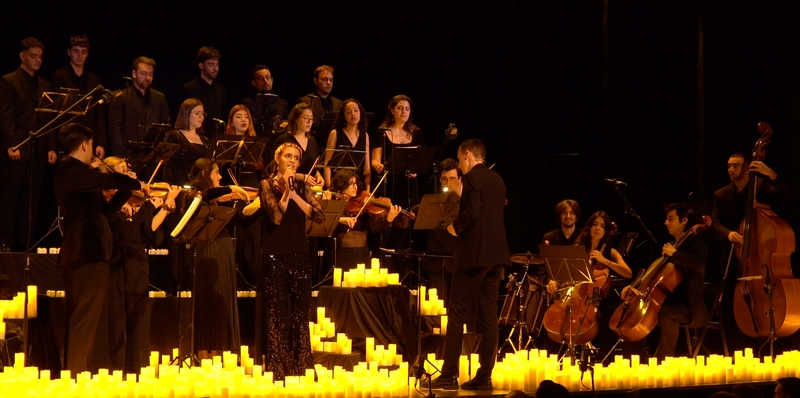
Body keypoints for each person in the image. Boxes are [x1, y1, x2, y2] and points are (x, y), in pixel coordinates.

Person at [54, 123, 143, 374]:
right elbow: (104, 178)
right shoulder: (70, 170)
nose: (94, 151)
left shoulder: (79, 176)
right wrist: (126, 180)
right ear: (84, 145)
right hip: (85, 252)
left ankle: (75, 374)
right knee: (84, 320)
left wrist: (125, 190)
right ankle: (75, 377)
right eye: (92, 145)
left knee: (83, 319)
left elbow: (104, 212)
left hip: (89, 252)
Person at [426, 139, 510, 390]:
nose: (460, 165)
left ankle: (449, 373)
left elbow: (473, 212)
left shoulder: (471, 178)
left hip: (474, 255)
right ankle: (485, 375)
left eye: (460, 159)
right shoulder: (498, 180)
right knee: (488, 317)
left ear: (466, 155)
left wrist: (455, 226)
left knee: (456, 314)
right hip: (496, 258)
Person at [104, 156, 180, 373]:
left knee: (138, 318)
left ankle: (137, 368)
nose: (134, 176)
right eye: (126, 173)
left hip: (138, 262)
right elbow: (124, 232)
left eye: (131, 172)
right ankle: (116, 368)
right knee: (117, 319)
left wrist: (165, 207)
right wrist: (147, 207)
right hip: (118, 264)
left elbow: (148, 231)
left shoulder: (139, 203)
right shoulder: (111, 203)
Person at [710, 152, 790, 351]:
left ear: (747, 168)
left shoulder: (761, 187)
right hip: (733, 256)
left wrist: (772, 175)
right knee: (728, 303)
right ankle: (734, 350)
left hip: (761, 257)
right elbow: (715, 224)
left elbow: (788, 197)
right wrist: (729, 234)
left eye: (735, 166)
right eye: (728, 166)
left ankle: (767, 345)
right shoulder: (721, 194)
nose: (730, 170)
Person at [258, 141, 325, 380]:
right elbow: (276, 217)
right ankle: (279, 366)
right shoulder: (266, 184)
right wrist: (287, 193)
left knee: (300, 313)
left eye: (296, 158)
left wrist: (296, 196)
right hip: (274, 254)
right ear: (278, 159)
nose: (292, 161)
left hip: (299, 252)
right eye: (288, 156)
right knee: (277, 312)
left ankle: (302, 365)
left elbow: (319, 216)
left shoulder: (302, 187)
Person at [622, 203, 707, 360]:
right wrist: (633, 286)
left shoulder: (695, 245)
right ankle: (633, 357)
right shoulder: (672, 246)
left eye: (670, 219)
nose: (666, 223)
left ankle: (662, 361)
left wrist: (675, 254)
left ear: (684, 221)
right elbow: (652, 273)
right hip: (667, 302)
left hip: (689, 307)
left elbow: (700, 264)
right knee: (634, 314)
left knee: (666, 313)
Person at [184, 158, 249, 358]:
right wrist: (231, 188)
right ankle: (205, 352)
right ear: (204, 174)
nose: (220, 176)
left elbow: (243, 223)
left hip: (224, 251)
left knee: (222, 301)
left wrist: (261, 203)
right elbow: (205, 195)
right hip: (207, 252)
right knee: (208, 302)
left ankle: (222, 352)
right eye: (216, 172)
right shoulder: (195, 195)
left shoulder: (216, 199)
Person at [0, 37, 57, 252]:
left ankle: (26, 242)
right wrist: (11, 144)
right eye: (33, 56)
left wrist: (51, 146)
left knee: (31, 200)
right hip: (17, 148)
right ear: (22, 56)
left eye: (40, 57)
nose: (38, 60)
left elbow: (48, 119)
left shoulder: (45, 85)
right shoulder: (9, 81)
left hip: (37, 150)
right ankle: (5, 241)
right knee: (10, 197)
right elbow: (5, 117)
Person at [370, 95, 425, 257]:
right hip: (388, 183)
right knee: (385, 228)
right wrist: (376, 165)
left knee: (403, 230)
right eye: (400, 108)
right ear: (392, 110)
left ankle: (400, 268)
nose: (403, 112)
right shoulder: (382, 132)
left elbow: (421, 159)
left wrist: (416, 171)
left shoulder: (416, 132)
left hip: (407, 186)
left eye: (407, 109)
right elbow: (374, 160)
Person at [50, 34, 107, 159]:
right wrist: (52, 146)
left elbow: (99, 114)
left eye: (83, 52)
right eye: (76, 51)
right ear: (69, 52)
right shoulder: (59, 76)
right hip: (66, 138)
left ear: (87, 54)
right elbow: (54, 114)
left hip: (88, 138)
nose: (79, 56)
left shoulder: (94, 80)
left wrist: (101, 143)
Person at [329, 169, 400, 269]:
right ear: (341, 185)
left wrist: (388, 219)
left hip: (362, 253)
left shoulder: (364, 204)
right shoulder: (335, 204)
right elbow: (330, 226)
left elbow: (374, 228)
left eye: (356, 183)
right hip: (343, 254)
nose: (355, 187)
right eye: (351, 183)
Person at [108, 56, 170, 160]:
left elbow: (166, 126)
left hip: (152, 157)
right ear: (134, 74)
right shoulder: (121, 97)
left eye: (151, 74)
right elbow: (114, 129)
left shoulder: (159, 98)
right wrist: (121, 156)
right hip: (129, 156)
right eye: (143, 74)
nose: (148, 78)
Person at [421, 158, 462, 304]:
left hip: (457, 261)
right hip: (436, 261)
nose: (448, 183)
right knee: (436, 305)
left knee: (456, 305)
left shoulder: (465, 202)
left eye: (452, 179)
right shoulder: (433, 201)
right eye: (444, 179)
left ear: (459, 178)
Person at [324, 98, 371, 191]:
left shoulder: (365, 135)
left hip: (357, 184)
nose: (353, 114)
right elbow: (327, 163)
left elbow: (366, 167)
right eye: (348, 112)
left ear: (360, 113)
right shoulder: (335, 133)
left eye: (356, 111)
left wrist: (368, 190)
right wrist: (329, 186)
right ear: (344, 116)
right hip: (340, 183)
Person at [272, 103, 323, 186]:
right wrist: (301, 177)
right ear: (295, 119)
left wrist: (318, 175)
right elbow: (275, 168)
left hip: (307, 188)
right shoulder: (284, 139)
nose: (309, 122)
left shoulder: (312, 141)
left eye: (311, 119)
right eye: (306, 118)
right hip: (287, 185)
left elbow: (314, 166)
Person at [179, 47, 226, 135]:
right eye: (211, 65)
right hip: (196, 136)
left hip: (215, 137)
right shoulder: (189, 88)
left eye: (217, 64)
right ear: (201, 66)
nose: (215, 69)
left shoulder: (221, 89)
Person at [163, 98, 209, 186]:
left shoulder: (205, 140)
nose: (201, 117)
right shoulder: (174, 135)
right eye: (197, 113)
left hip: (200, 186)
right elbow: (167, 166)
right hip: (180, 185)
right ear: (186, 114)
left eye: (203, 114)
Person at [298, 65, 342, 141]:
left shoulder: (339, 104)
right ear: (315, 81)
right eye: (324, 79)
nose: (328, 83)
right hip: (312, 144)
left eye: (331, 80)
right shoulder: (305, 101)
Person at [243, 65, 288, 136]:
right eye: (261, 78)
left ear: (272, 80)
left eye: (268, 77)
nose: (265, 81)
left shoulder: (282, 103)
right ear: (254, 82)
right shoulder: (247, 103)